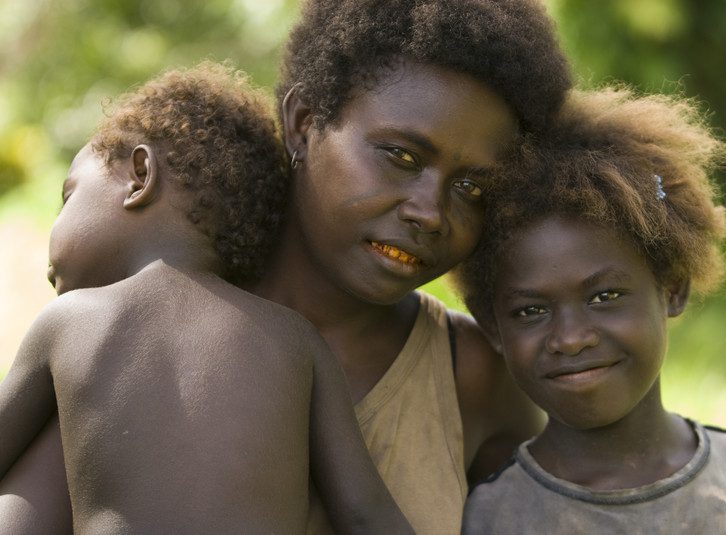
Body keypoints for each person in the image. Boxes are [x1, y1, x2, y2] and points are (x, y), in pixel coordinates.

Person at [1, 1, 573, 533]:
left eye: (472, 187)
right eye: (401, 157)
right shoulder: (135, 337)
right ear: (303, 121)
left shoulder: (473, 376)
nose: (429, 212)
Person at [0, 62, 412, 534]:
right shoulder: (297, 340)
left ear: (139, 176)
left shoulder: (70, 321)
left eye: (68, 194)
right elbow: (365, 513)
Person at [456, 87, 726, 534]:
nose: (572, 337)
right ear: (492, 325)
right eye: (531, 310)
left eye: (605, 297)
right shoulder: (491, 515)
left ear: (672, 288)